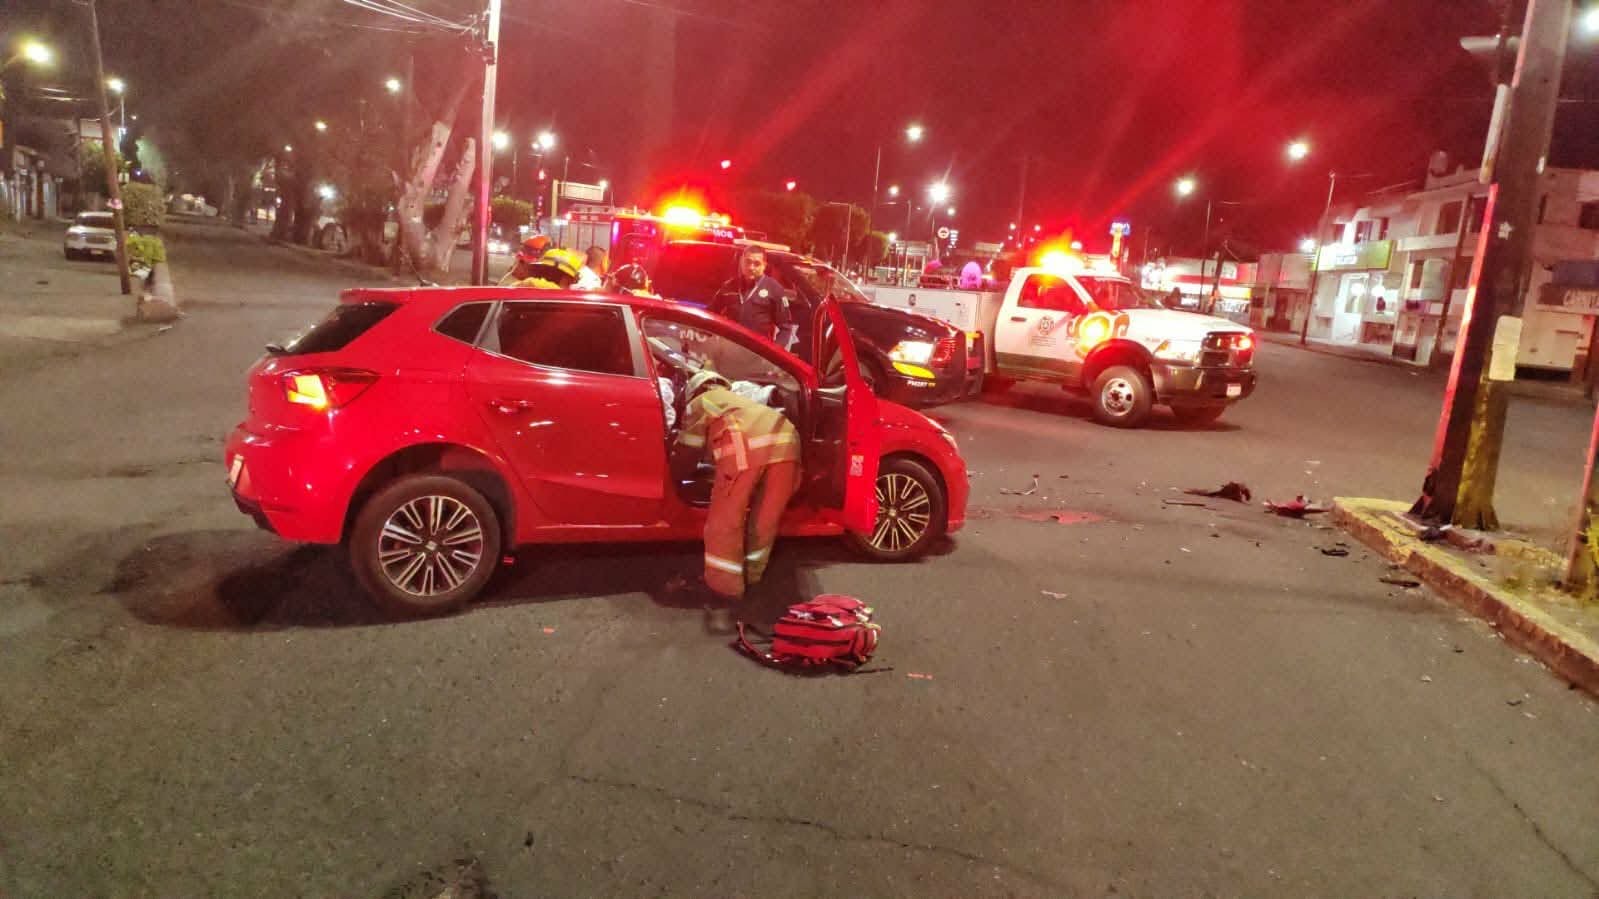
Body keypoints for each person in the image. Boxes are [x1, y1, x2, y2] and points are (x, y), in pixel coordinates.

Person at [675, 369, 801, 601]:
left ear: (693, 391)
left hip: (745, 451)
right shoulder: (739, 401)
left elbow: (689, 450)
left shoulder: (699, 403)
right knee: (765, 518)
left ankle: (725, 588)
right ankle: (752, 576)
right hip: (788, 443)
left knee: (725, 522)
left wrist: (674, 473)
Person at [709, 245, 793, 345]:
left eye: (756, 264)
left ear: (764, 265)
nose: (751, 267)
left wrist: (773, 352)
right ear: (741, 262)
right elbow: (711, 314)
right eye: (747, 262)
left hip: (757, 352)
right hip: (729, 348)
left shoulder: (774, 289)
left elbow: (786, 328)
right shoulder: (729, 286)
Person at [510, 247, 583, 289]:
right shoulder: (562, 298)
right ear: (565, 279)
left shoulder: (521, 285)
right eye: (569, 283)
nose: (569, 286)